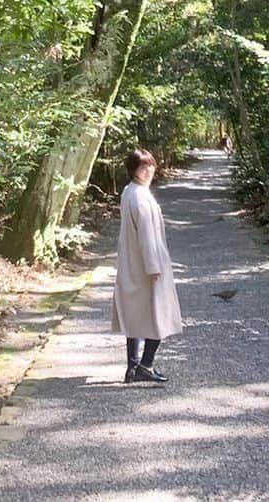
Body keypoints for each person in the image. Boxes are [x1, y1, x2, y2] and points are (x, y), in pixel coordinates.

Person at [111, 147, 182, 384]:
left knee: (136, 315)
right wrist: (153, 268)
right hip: (148, 264)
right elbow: (147, 236)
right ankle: (146, 364)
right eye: (143, 166)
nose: (149, 170)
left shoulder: (130, 191)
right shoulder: (140, 196)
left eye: (151, 165)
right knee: (158, 315)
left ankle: (132, 367)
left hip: (133, 262)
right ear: (133, 170)